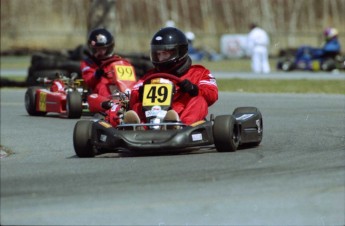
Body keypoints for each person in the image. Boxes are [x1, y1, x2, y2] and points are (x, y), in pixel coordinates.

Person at [126, 27, 218, 126]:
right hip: (150, 115)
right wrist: (140, 93)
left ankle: (179, 126)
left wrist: (194, 89)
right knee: (136, 105)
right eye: (158, 54)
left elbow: (212, 94)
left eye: (164, 54)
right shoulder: (149, 76)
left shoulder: (199, 73)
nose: (160, 58)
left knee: (199, 100)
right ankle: (138, 127)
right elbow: (133, 92)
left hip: (180, 114)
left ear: (179, 52)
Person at [81, 28, 136, 114]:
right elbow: (88, 81)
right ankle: (112, 104)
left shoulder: (118, 61)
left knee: (138, 86)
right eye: (98, 49)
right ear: (92, 48)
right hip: (99, 90)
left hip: (121, 88)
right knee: (103, 84)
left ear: (109, 48)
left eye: (103, 49)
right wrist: (96, 74)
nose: (101, 52)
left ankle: (132, 100)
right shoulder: (88, 63)